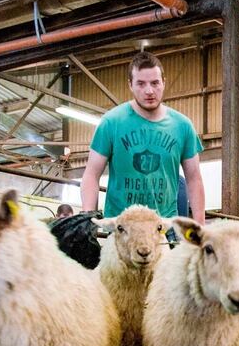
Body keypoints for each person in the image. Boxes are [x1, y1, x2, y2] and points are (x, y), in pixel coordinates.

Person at [80, 51, 205, 231]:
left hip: (163, 228)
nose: (149, 91)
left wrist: (199, 227)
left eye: (155, 83)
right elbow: (91, 174)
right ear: (130, 85)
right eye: (141, 83)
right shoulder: (111, 122)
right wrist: (87, 219)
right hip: (121, 228)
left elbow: (194, 178)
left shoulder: (182, 126)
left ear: (163, 82)